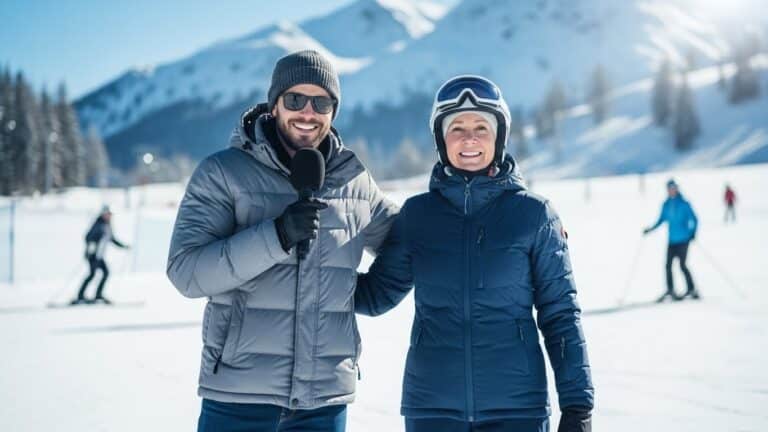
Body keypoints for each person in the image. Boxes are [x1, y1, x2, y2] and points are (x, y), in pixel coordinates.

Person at [166, 50, 398, 432]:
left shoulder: (354, 182)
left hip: (324, 403)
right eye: (295, 99)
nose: (307, 112)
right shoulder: (223, 173)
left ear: (333, 112)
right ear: (274, 105)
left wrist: (375, 293)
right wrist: (276, 236)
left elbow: (408, 241)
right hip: (238, 398)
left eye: (321, 102)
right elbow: (186, 272)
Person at [354, 76, 594, 432]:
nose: (469, 138)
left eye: (482, 126)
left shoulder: (534, 215)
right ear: (441, 139)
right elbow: (376, 296)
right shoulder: (418, 216)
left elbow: (560, 314)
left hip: (517, 412)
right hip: (433, 410)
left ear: (499, 136)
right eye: (457, 128)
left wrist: (577, 406)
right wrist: (312, 267)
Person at [643, 179, 699, 301]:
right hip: (672, 240)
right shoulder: (666, 205)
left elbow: (694, 219)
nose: (671, 190)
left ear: (677, 189)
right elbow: (661, 220)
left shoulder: (684, 203)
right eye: (669, 188)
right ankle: (670, 290)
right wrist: (650, 230)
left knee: (682, 265)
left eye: (673, 188)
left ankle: (692, 289)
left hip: (684, 239)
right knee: (668, 265)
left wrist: (692, 233)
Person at [73, 205, 129, 305]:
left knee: (105, 273)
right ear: (103, 214)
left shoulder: (108, 226)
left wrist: (123, 247)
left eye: (110, 215)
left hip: (100, 256)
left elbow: (112, 239)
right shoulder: (98, 224)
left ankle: (98, 294)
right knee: (92, 274)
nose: (110, 216)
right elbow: (88, 237)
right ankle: (80, 295)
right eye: (108, 214)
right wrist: (93, 244)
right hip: (93, 255)